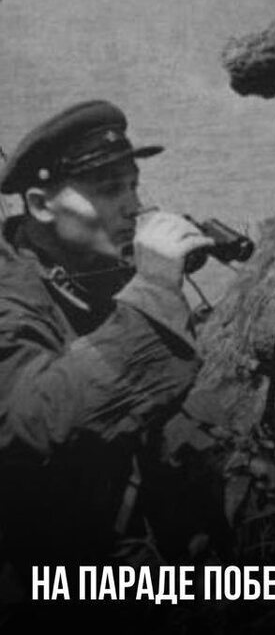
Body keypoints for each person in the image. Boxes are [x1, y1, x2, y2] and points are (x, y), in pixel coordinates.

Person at [0, 100, 217, 589]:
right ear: (40, 206)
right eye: (109, 189)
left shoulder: (94, 269)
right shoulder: (8, 294)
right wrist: (153, 291)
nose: (133, 206)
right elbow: (32, 422)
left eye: (133, 185)